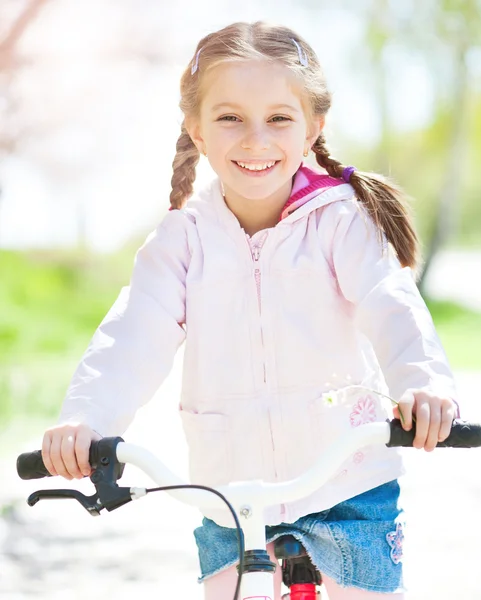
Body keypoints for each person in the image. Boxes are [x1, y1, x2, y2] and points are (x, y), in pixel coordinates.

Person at [41, 21, 459, 599]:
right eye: (230, 117)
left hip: (347, 486)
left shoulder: (340, 223)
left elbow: (389, 302)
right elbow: (133, 335)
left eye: (279, 119)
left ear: (314, 128)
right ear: (198, 130)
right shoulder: (182, 240)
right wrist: (87, 421)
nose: (254, 140)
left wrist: (423, 385)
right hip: (229, 494)